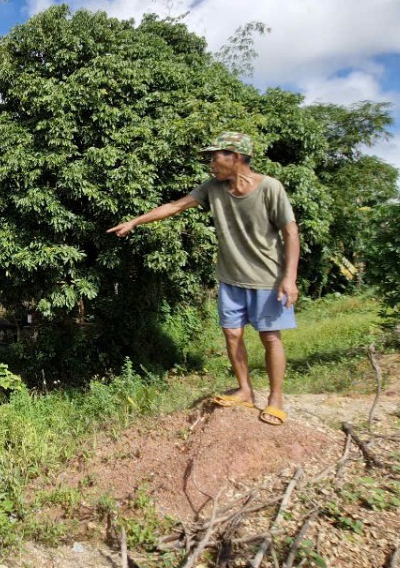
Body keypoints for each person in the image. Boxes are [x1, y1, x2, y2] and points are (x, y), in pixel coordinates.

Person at [107, 132, 299, 425]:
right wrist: (135, 221)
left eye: (215, 157)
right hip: (230, 278)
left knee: (270, 337)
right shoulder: (213, 188)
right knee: (232, 334)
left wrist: (290, 277)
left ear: (236, 156)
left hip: (267, 278)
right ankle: (245, 390)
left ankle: (276, 399)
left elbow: (290, 232)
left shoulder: (270, 188)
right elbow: (176, 206)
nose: (211, 164)